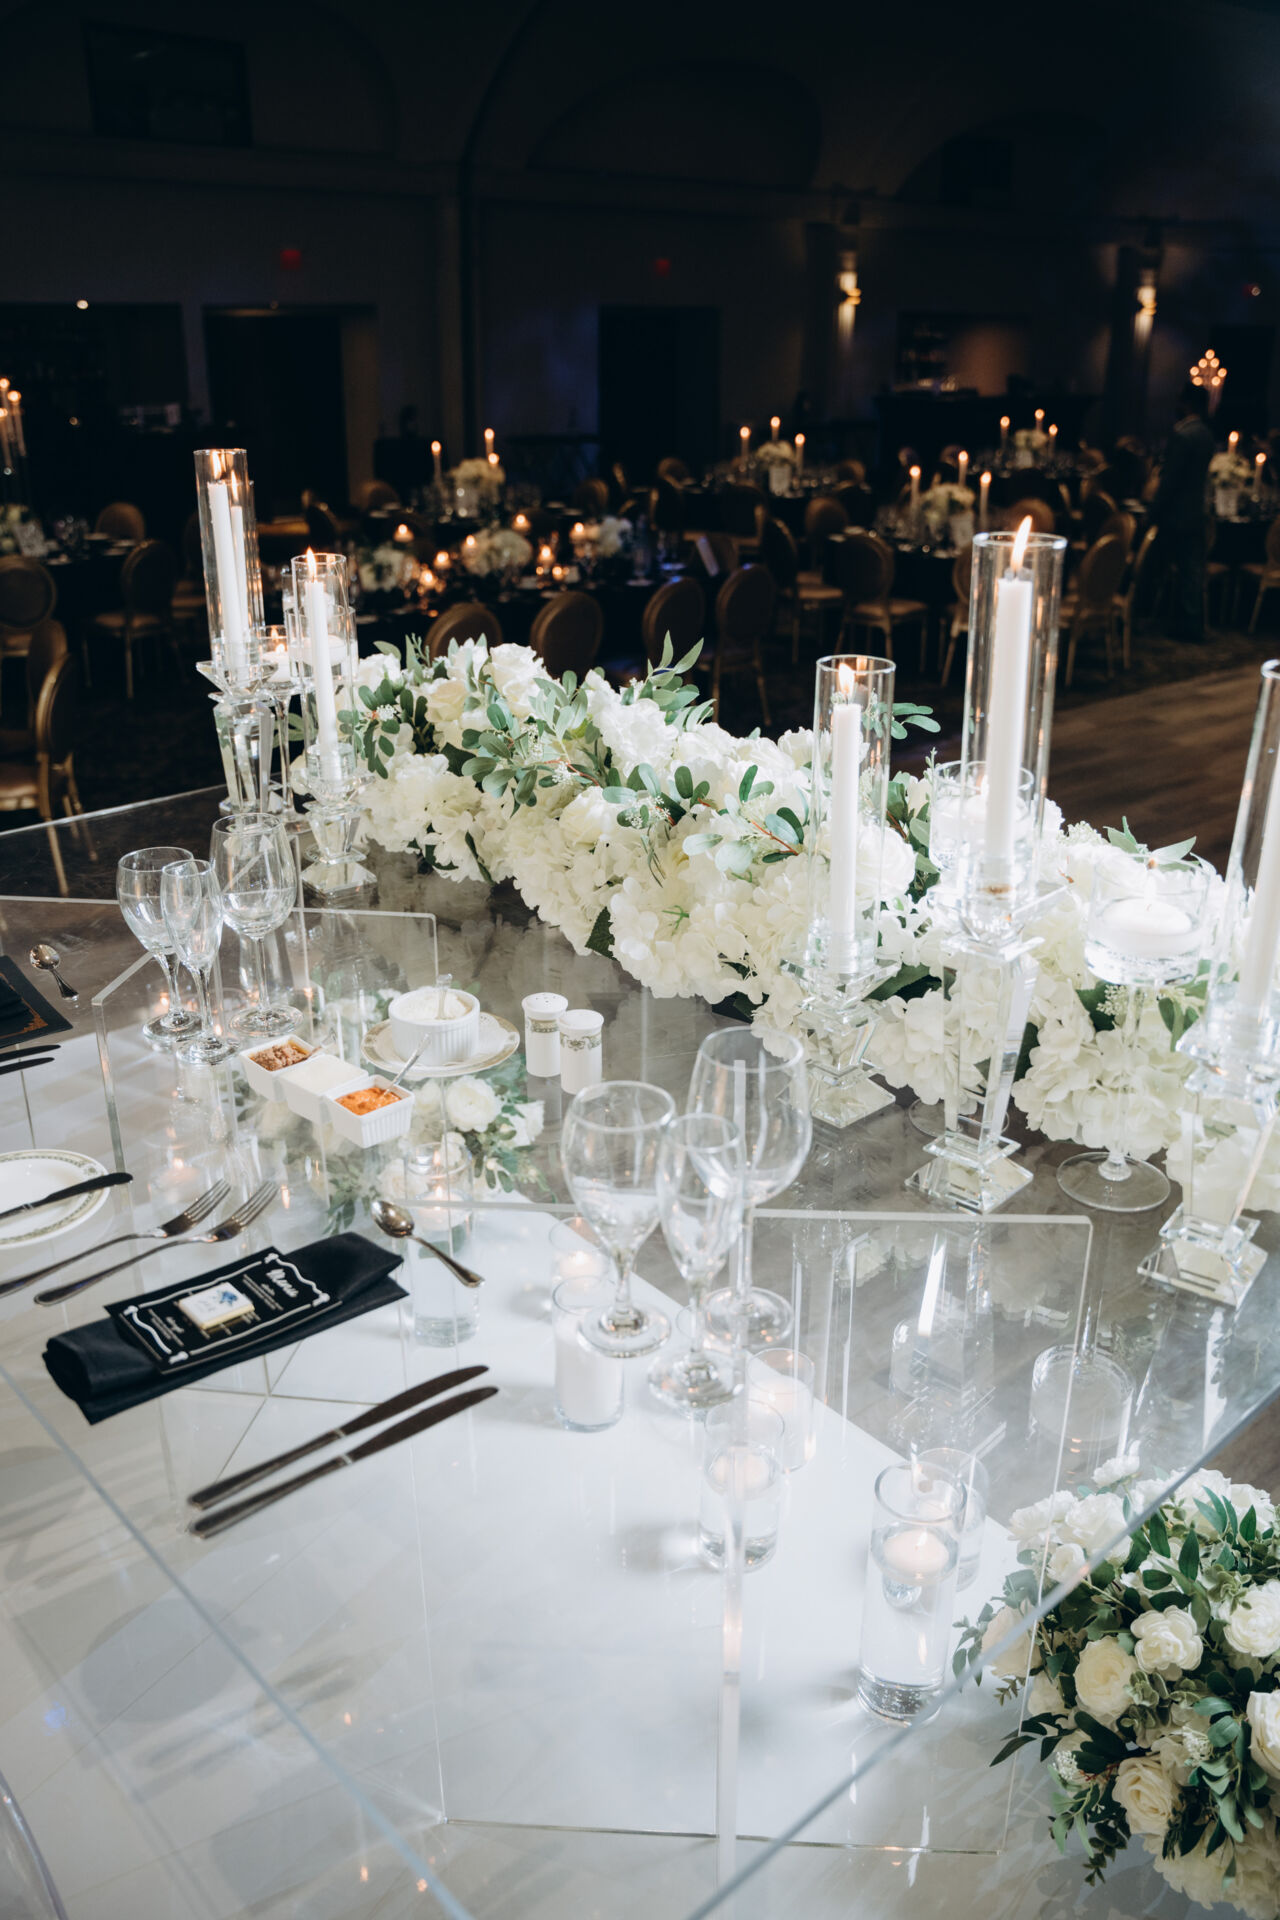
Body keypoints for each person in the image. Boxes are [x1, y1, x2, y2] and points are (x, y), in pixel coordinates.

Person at [1152, 383, 1216, 641]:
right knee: (1191, 570)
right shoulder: (1206, 434)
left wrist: (1155, 511)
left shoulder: (1182, 435)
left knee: (1157, 566)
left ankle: (1146, 615)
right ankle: (1190, 623)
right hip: (1196, 510)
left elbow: (1170, 480)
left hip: (1176, 513)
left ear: (1187, 403)